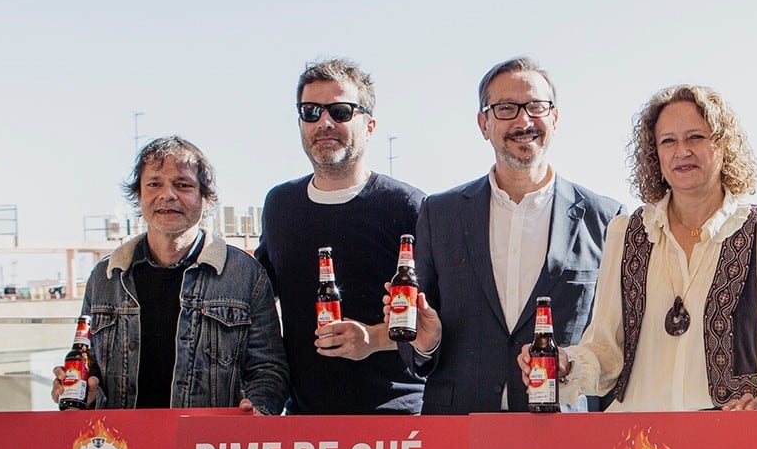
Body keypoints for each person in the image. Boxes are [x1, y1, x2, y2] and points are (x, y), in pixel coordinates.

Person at [523, 85, 757, 412]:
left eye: (696, 137)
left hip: (727, 441)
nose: (682, 151)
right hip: (638, 445)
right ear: (654, 154)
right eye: (668, 141)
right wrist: (566, 363)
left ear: (723, 145)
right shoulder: (626, 233)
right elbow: (605, 352)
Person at [397, 57, 622, 413]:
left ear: (555, 118)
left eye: (536, 106)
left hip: (563, 432)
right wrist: (426, 343)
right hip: (460, 429)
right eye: (505, 108)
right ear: (483, 123)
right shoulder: (439, 214)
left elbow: (616, 345)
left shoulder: (607, 219)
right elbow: (417, 342)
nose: (523, 120)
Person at [51, 137, 287, 412]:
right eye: (154, 184)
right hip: (122, 447)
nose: (168, 195)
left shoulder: (246, 275)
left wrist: (257, 410)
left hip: (207, 447)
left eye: (183, 185)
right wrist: (81, 392)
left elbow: (269, 369)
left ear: (205, 198)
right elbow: (88, 366)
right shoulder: (105, 277)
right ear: (138, 196)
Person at [256, 59, 425, 414]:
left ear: (370, 125)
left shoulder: (409, 205)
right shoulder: (280, 205)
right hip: (305, 424)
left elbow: (441, 318)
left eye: (341, 111)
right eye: (311, 111)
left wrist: (375, 339)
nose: (325, 123)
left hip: (397, 420)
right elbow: (258, 300)